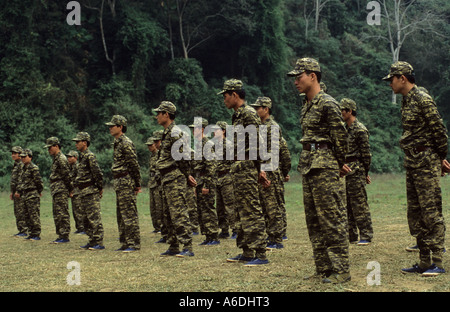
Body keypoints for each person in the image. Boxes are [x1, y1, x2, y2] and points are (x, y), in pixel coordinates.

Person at [382, 61, 449, 276]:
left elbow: (439, 130)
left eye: (391, 79)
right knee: (415, 212)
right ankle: (423, 261)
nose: (389, 83)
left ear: (403, 78)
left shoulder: (422, 98)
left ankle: (437, 261)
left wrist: (440, 158)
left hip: (426, 160)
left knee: (430, 210)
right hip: (411, 162)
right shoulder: (406, 100)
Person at [287, 58, 350, 283]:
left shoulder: (328, 103)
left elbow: (340, 138)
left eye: (299, 76)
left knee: (331, 218)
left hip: (325, 166)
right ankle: (323, 268)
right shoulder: (306, 104)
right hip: (308, 165)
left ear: (313, 76)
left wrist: (337, 163)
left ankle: (341, 270)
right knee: (314, 220)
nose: (296, 81)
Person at [218, 79, 270, 266]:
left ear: (234, 95)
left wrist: (260, 169)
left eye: (225, 96)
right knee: (240, 211)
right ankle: (247, 251)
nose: (224, 100)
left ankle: (261, 253)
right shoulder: (237, 116)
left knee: (251, 209)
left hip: (247, 167)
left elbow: (259, 143)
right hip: (238, 167)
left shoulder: (248, 114)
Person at [154, 101, 196, 258]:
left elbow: (183, 156)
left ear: (166, 114)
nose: (157, 116)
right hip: (166, 177)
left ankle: (187, 246)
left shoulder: (175, 132)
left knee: (178, 212)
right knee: (168, 214)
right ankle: (173, 245)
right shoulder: (166, 132)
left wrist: (186, 175)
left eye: (159, 113)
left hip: (174, 177)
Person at [250, 96, 290, 250]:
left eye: (257, 108)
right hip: (265, 169)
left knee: (273, 205)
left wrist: (265, 170)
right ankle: (271, 235)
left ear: (265, 109)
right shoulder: (261, 126)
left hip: (270, 170)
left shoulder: (271, 126)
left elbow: (272, 152)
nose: (255, 110)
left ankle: (276, 238)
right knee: (266, 205)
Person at [340, 98, 373, 246]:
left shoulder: (360, 129)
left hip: (356, 169)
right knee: (346, 204)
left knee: (359, 203)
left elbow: (366, 154)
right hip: (345, 169)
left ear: (350, 111)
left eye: (342, 110)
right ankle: (351, 235)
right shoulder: (343, 129)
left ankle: (366, 234)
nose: (340, 113)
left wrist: (365, 172)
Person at [106, 115, 142, 253]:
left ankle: (133, 243)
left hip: (126, 181)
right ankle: (125, 242)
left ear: (120, 127)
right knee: (121, 213)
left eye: (112, 126)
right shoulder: (117, 143)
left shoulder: (126, 143)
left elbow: (133, 164)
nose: (110, 128)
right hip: (119, 181)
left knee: (129, 213)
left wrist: (137, 183)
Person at [72, 132, 105, 251]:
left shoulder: (90, 156)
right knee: (85, 218)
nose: (76, 144)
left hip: (90, 190)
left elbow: (97, 173)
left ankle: (98, 242)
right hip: (82, 191)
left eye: (78, 142)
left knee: (94, 217)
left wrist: (99, 188)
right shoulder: (82, 156)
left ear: (84, 143)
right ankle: (92, 240)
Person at [190, 118, 220, 246]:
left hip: (206, 181)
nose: (192, 131)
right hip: (200, 181)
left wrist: (207, 185)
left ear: (202, 129)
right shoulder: (198, 144)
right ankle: (208, 236)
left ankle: (213, 236)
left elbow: (211, 166)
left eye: (195, 128)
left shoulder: (206, 144)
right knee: (202, 209)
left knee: (208, 208)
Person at [45, 137, 73, 244]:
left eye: (50, 147)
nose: (49, 150)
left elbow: (66, 175)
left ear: (56, 146)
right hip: (56, 189)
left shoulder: (61, 159)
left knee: (62, 212)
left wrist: (70, 189)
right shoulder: (56, 159)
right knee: (57, 212)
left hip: (61, 189)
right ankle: (61, 235)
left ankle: (64, 235)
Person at [213, 121, 237, 239]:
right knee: (220, 206)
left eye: (217, 129)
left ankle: (235, 229)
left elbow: (233, 162)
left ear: (223, 131)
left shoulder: (228, 145)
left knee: (230, 205)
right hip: (217, 178)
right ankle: (224, 229)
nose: (214, 132)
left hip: (227, 177)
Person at [14, 149, 43, 241]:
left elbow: (39, 182)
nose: (22, 159)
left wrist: (38, 191)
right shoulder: (23, 168)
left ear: (30, 157)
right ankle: (31, 232)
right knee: (26, 214)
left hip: (32, 193)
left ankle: (36, 233)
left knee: (33, 214)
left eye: (24, 157)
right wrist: (18, 191)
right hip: (25, 194)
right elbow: (21, 181)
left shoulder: (33, 168)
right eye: (21, 157)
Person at [146, 134, 163, 235]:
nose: (149, 147)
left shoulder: (159, 154)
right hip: (151, 181)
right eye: (148, 145)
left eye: (151, 145)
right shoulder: (151, 156)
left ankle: (161, 226)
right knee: (152, 206)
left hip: (157, 182)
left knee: (158, 205)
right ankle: (156, 226)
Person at [66, 150, 86, 235]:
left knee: (79, 210)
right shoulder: (70, 167)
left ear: (76, 158)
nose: (68, 159)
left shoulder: (78, 166)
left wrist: (73, 189)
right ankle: (79, 227)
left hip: (77, 191)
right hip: (73, 191)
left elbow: (79, 180)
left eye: (71, 157)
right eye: (68, 157)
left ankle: (83, 228)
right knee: (75, 210)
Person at [10, 146, 28, 238]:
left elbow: (21, 179)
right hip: (15, 192)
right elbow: (14, 180)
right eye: (12, 153)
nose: (13, 155)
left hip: (20, 192)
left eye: (15, 153)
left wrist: (18, 191)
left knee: (21, 211)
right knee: (17, 211)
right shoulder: (16, 164)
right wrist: (12, 192)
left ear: (20, 155)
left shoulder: (21, 164)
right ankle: (21, 230)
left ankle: (24, 230)